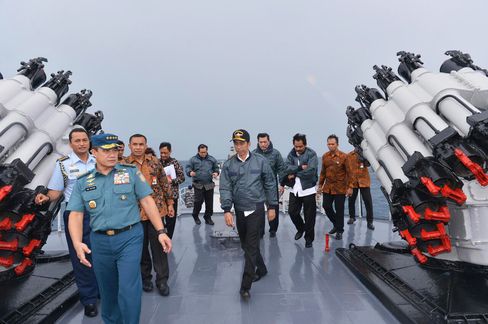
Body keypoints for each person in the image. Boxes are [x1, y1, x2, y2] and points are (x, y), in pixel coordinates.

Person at [67, 133, 172, 324]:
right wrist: (77, 243)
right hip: (99, 242)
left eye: (115, 149)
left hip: (129, 237)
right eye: (106, 151)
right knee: (108, 290)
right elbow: (75, 214)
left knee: (129, 287)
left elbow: (147, 201)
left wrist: (161, 231)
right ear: (94, 152)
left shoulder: (130, 173)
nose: (112, 154)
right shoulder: (84, 181)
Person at [34, 128, 99, 317]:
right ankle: (89, 299)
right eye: (77, 140)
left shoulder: (99, 160)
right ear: (70, 144)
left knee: (103, 253)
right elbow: (56, 192)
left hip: (101, 212)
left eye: (84, 140)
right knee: (82, 258)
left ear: (89, 142)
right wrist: (45, 198)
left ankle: (103, 290)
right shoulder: (63, 165)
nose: (81, 143)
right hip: (76, 214)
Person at [220, 129, 278, 299]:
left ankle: (245, 286)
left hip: (256, 208)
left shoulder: (261, 162)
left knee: (251, 245)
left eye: (242, 143)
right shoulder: (229, 165)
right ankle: (262, 268)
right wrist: (226, 210)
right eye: (236, 143)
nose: (239, 147)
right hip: (239, 209)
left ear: (249, 144)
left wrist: (273, 206)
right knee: (246, 245)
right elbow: (225, 187)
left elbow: (269, 183)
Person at [124, 134, 175, 296]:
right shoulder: (123, 165)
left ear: (146, 145)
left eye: (141, 144)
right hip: (135, 214)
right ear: (129, 145)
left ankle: (162, 280)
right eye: (135, 144)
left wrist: (170, 203)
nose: (138, 147)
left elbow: (164, 183)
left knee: (159, 248)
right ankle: (145, 278)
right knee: (141, 249)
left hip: (157, 212)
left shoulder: (155, 162)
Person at [282, 133, 319, 248]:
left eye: (300, 147)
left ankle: (309, 239)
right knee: (292, 212)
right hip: (295, 190)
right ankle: (300, 228)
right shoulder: (291, 154)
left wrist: (294, 174)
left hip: (308, 189)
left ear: (305, 145)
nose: (298, 149)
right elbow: (286, 168)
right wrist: (298, 168)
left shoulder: (311, 154)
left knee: (309, 217)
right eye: (296, 146)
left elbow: (311, 171)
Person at [252, 132, 285, 238]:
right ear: (258, 142)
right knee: (258, 211)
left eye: (265, 142)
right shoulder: (253, 154)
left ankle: (273, 230)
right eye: (261, 142)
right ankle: (260, 231)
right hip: (257, 187)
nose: (263, 144)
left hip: (271, 186)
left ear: (269, 141)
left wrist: (282, 184)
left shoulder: (276, 154)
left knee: (273, 208)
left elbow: (281, 169)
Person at [318, 134, 348, 240]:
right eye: (329, 144)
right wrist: (320, 185)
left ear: (337, 144)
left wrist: (350, 187)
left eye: (332, 144)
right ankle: (336, 224)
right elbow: (322, 172)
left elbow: (350, 173)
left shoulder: (344, 157)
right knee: (326, 206)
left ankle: (339, 230)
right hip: (328, 187)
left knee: (339, 209)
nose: (330, 146)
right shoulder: (325, 156)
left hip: (340, 188)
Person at [185, 144, 219, 225]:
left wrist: (216, 173)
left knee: (209, 203)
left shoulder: (212, 159)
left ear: (207, 151)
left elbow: (216, 168)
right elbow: (188, 168)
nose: (203, 154)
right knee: (198, 202)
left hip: (209, 184)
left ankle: (207, 217)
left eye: (205, 152)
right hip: (198, 185)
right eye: (201, 152)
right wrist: (190, 172)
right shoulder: (193, 160)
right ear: (198, 151)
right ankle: (195, 215)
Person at [159, 141, 186, 238]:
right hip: (160, 196)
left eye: (165, 153)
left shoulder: (175, 163)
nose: (163, 155)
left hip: (172, 194)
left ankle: (169, 237)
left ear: (170, 152)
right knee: (160, 217)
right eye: (161, 153)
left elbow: (182, 178)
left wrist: (172, 181)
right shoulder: (157, 162)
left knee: (171, 218)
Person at [346, 148, 375, 230]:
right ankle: (352, 217)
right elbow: (347, 170)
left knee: (368, 202)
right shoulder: (349, 155)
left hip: (364, 182)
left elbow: (369, 164)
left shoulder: (366, 154)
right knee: (351, 201)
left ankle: (370, 222)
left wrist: (365, 157)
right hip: (353, 182)